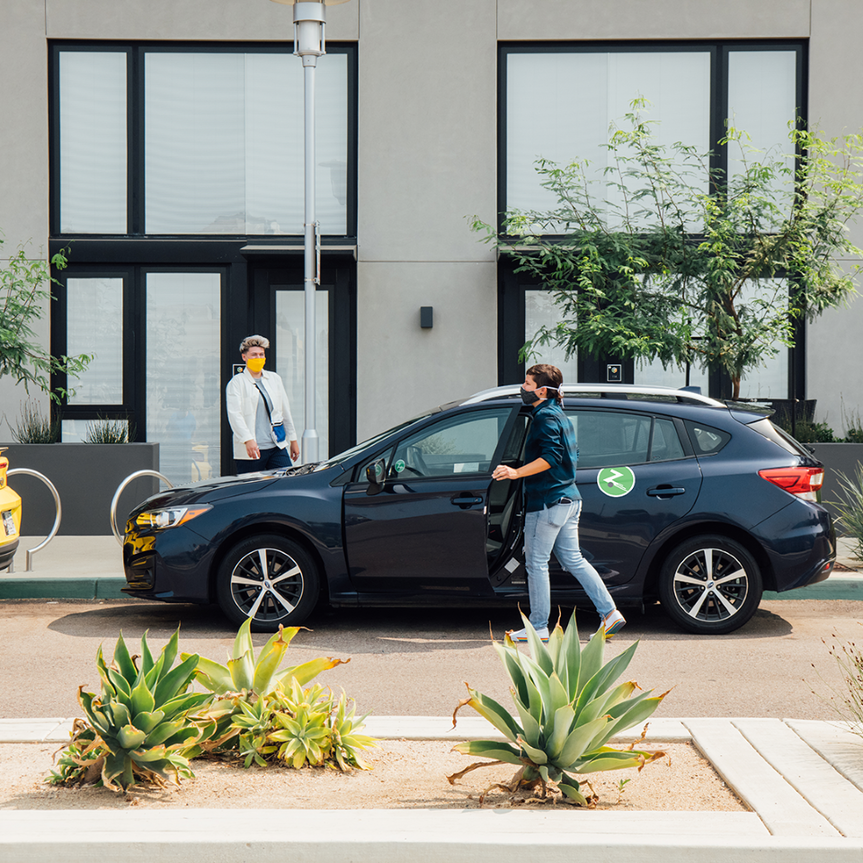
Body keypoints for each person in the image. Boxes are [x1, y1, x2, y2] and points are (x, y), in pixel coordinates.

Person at [492, 363, 625, 642]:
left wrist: (515, 472)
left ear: (541, 390)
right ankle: (609, 612)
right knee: (573, 559)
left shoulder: (545, 417)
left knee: (536, 563)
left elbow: (551, 458)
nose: (523, 389)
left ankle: (539, 626)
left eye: (527, 385)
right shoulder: (560, 415)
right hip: (568, 499)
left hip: (548, 502)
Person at [226, 335, 300, 474]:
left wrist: (293, 439)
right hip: (252, 449)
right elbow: (235, 415)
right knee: (251, 490)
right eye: (254, 355)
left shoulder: (274, 379)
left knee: (287, 482)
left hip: (276, 446)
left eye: (261, 354)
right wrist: (248, 440)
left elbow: (285, 411)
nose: (258, 358)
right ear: (244, 357)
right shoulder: (237, 383)